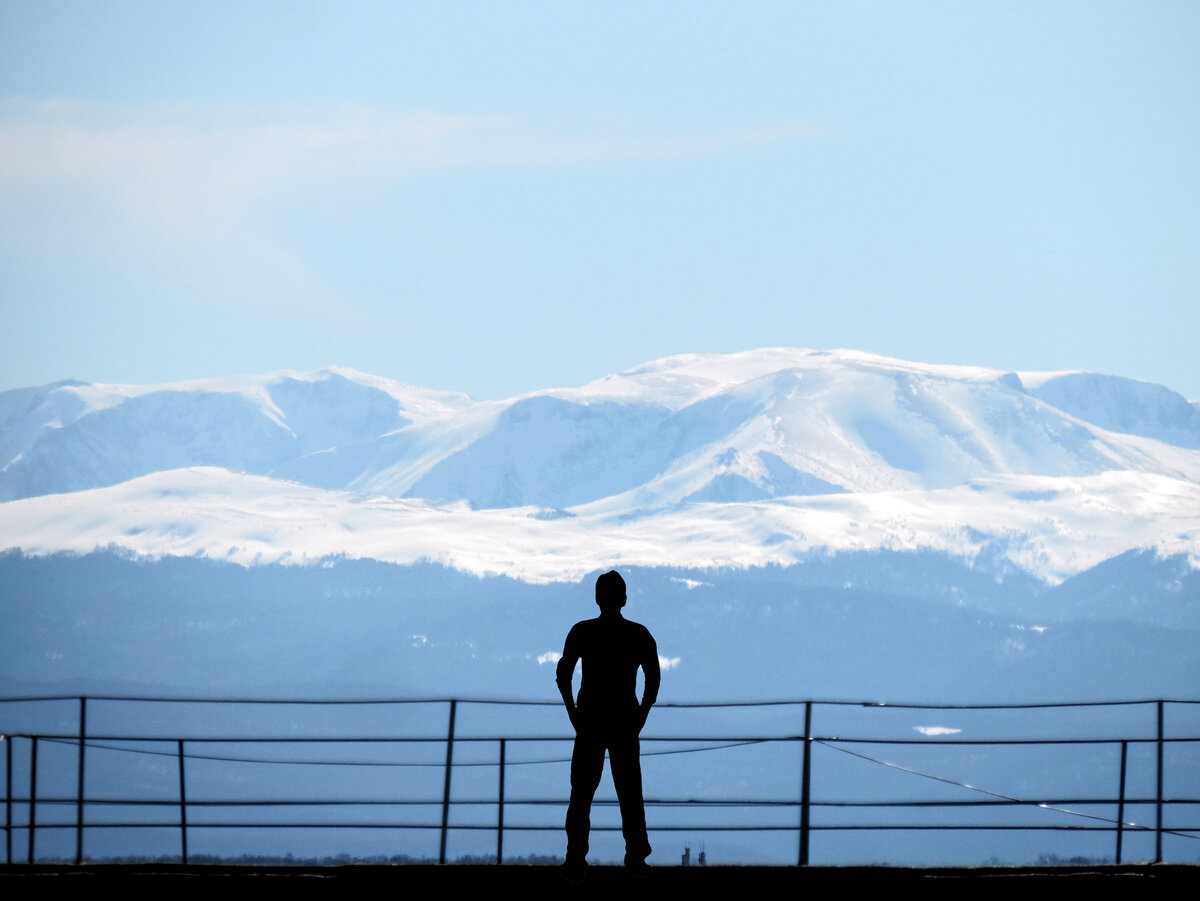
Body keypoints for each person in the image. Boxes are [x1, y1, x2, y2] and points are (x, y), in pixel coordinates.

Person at [556, 569, 660, 882]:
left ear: (598, 598)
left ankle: (575, 859)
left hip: (589, 721)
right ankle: (637, 858)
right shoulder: (639, 634)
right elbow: (653, 678)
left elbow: (563, 675)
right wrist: (641, 714)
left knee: (581, 794)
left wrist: (573, 712)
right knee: (630, 793)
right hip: (624, 722)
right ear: (624, 599)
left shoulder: (582, 632)